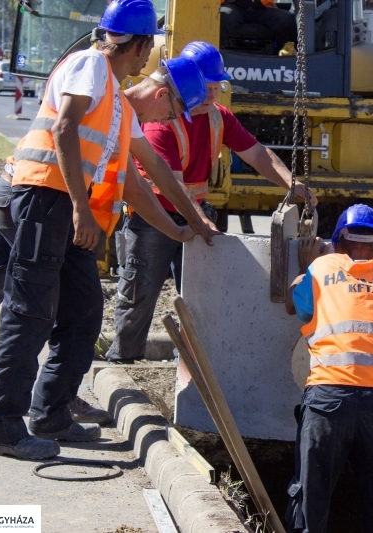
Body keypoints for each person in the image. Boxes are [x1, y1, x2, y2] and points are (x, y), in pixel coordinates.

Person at [0, 0, 209, 461]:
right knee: (29, 314)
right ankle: (3, 428)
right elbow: (64, 128)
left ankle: (51, 414)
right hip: (43, 198)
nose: (150, 54)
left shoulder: (117, 101)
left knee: (84, 312)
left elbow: (147, 176)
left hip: (61, 206)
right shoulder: (90, 66)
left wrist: (185, 225)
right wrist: (82, 209)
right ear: (139, 44)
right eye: (150, 45)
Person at [0, 55, 211, 420]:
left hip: (9, 191)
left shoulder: (120, 110)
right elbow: (136, 184)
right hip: (47, 205)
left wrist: (182, 227)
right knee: (68, 310)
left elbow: (147, 178)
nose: (169, 121)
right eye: (174, 113)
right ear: (162, 95)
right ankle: (51, 404)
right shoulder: (111, 104)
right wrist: (183, 225)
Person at [104, 41, 317, 364]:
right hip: (155, 216)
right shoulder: (160, 121)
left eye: (218, 87)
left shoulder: (218, 117)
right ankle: (123, 359)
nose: (212, 95)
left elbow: (256, 153)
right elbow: (172, 185)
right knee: (139, 291)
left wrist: (290, 182)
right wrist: (199, 221)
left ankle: (193, 364)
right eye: (207, 87)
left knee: (202, 295)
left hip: (195, 212)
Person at [284, 204, 373, 533]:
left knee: (310, 508)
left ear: (337, 244)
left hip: (328, 403)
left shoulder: (321, 268)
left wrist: (304, 266)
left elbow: (293, 305)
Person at [220, 0, 297, 51]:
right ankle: (216, 55)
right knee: (222, 16)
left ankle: (286, 58)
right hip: (234, 6)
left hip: (263, 8)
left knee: (287, 19)